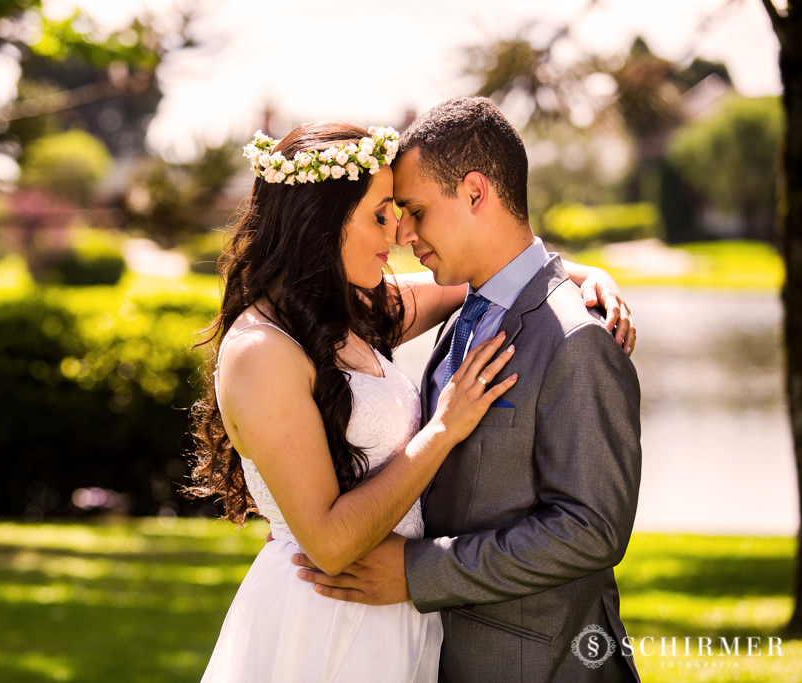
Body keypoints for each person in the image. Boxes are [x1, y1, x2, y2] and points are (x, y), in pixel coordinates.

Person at [187, 121, 635, 682]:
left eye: (405, 212)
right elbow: (329, 544)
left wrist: (587, 273)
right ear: (321, 222)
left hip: (405, 617)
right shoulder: (260, 351)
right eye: (382, 215)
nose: (399, 233)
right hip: (326, 618)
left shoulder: (348, 315)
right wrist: (441, 430)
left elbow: (490, 272)